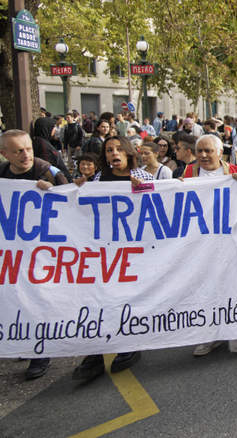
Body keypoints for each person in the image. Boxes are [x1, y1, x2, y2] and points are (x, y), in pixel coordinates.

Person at [71, 136, 153, 381]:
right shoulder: (96, 180)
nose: (113, 153)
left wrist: (141, 189)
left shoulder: (144, 177)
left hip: (134, 250)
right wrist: (72, 190)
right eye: (109, 150)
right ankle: (96, 355)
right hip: (104, 251)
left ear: (128, 153)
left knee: (126, 298)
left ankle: (129, 345)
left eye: (118, 149)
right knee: (101, 299)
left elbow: (161, 202)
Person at [0, 130, 69, 380]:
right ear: (4, 154)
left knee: (38, 297)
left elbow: (74, 199)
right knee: (17, 298)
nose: (25, 154)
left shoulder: (48, 170)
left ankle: (41, 352)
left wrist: (52, 192)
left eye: (28, 148)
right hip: (16, 251)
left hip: (46, 252)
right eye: (18, 151)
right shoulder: (3, 175)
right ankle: (25, 341)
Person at [180, 134, 237, 357]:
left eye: (209, 151)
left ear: (220, 153)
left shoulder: (235, 170)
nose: (204, 155)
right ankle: (208, 336)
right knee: (204, 287)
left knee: (232, 284)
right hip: (201, 243)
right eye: (200, 151)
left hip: (231, 240)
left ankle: (235, 329)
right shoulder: (188, 173)